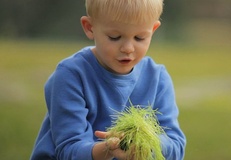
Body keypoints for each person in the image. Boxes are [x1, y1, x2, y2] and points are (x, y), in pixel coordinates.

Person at [30, 0, 186, 159]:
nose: (128, 48)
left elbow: (176, 146)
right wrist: (108, 149)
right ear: (90, 28)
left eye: (139, 37)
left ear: (153, 30)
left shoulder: (158, 78)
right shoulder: (71, 75)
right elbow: (69, 150)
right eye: (114, 37)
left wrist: (146, 143)